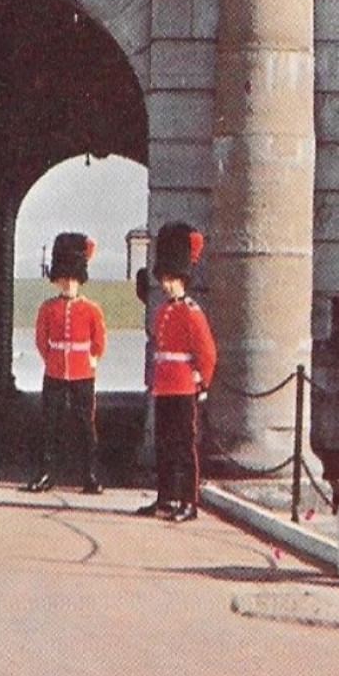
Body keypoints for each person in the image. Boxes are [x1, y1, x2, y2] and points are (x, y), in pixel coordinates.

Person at [136, 221, 216, 522]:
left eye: (172, 279)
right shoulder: (163, 311)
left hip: (183, 387)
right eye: (165, 279)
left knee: (184, 447)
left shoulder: (191, 312)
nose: (167, 284)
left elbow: (206, 353)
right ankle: (165, 498)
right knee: (165, 446)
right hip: (165, 387)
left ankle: (189, 501)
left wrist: (202, 382)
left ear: (183, 279)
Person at [25, 232, 107, 495]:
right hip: (56, 371)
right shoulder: (48, 308)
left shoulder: (91, 309)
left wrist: (91, 359)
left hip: (82, 372)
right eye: (64, 279)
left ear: (79, 279)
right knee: (50, 423)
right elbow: (41, 340)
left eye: (73, 279)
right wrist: (52, 361)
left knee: (85, 423)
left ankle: (90, 475)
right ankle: (46, 473)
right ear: (58, 279)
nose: (68, 284)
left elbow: (98, 340)